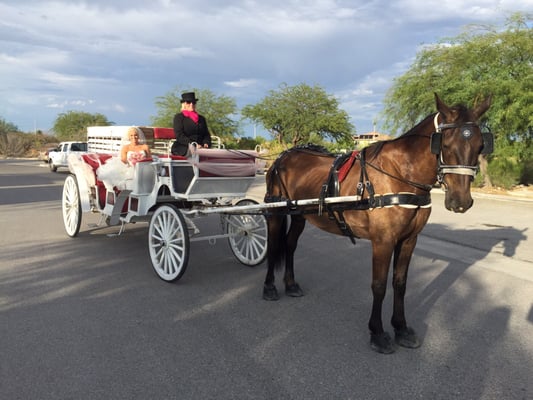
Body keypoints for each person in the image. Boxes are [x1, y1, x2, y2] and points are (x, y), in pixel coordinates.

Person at [171, 92, 211, 156]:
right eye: (188, 102)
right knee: (195, 153)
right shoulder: (179, 117)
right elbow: (179, 135)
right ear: (184, 104)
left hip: (201, 147)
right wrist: (193, 145)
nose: (191, 104)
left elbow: (206, 134)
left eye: (194, 102)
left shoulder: (201, 118)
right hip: (183, 147)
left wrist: (206, 143)